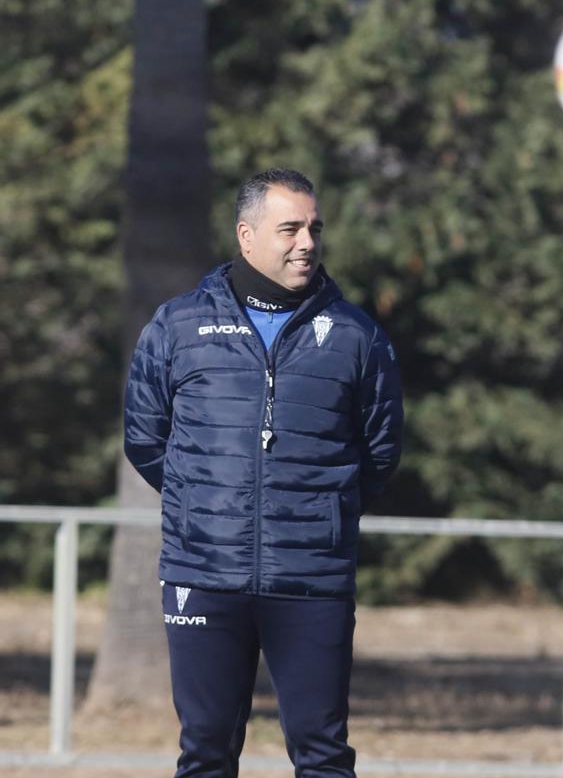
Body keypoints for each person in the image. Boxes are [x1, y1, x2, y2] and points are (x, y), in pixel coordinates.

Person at [124, 168, 404, 778]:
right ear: (247, 236)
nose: (307, 241)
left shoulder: (356, 335)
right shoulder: (178, 326)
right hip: (204, 571)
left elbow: (380, 452)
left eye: (314, 228)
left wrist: (321, 511)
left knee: (324, 756)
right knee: (205, 755)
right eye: (290, 228)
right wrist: (206, 505)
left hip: (312, 578)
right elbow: (145, 439)